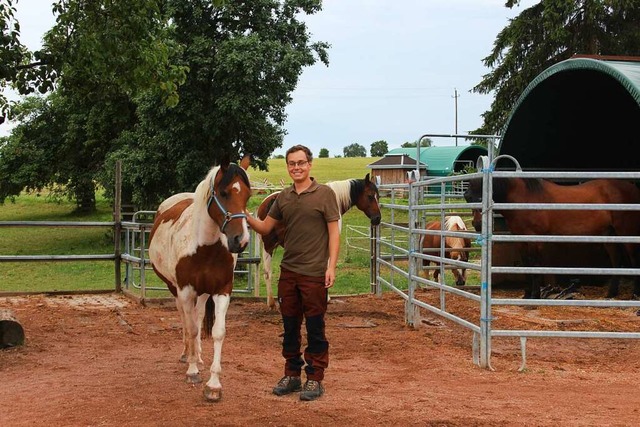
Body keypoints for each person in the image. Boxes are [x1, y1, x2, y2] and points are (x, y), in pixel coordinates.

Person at [246, 144, 340, 401]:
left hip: (314, 274)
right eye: (291, 164)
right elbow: (266, 228)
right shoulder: (283, 198)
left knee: (315, 326)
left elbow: (334, 232)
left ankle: (315, 378)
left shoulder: (325, 195)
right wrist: (243, 215)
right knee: (289, 326)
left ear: (309, 164)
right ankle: (292, 375)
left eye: (300, 163)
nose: (296, 167)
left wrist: (331, 266)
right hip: (289, 272)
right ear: (287, 167)